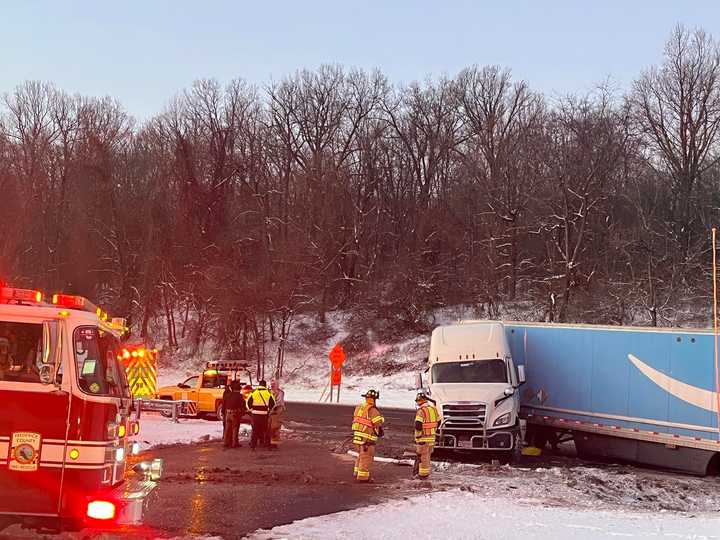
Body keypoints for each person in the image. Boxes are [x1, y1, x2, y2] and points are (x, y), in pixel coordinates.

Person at [351, 389, 384, 482]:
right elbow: (377, 423)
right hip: (367, 439)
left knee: (361, 456)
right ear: (374, 399)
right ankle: (363, 477)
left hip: (357, 437)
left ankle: (356, 472)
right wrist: (382, 419)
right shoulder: (373, 410)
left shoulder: (359, 407)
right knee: (366, 457)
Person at [412, 392, 439, 479]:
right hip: (432, 438)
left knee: (422, 457)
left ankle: (422, 475)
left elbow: (418, 425)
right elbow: (439, 421)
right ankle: (423, 473)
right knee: (427, 456)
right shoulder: (433, 409)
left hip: (423, 438)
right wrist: (433, 430)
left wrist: (418, 436)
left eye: (418, 401)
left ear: (420, 401)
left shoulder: (421, 411)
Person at [246, 379, 275, 450]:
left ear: (259, 385)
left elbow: (248, 403)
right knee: (266, 430)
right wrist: (269, 409)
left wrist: (251, 409)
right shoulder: (268, 393)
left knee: (255, 430)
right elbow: (273, 403)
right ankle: (268, 445)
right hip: (264, 415)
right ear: (265, 385)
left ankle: (253, 446)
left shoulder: (254, 393)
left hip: (255, 414)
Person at [223, 382, 247, 448]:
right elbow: (243, 406)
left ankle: (226, 442)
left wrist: (223, 413)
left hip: (227, 413)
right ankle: (235, 443)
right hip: (235, 414)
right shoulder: (239, 396)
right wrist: (243, 412)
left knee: (227, 429)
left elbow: (224, 404)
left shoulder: (228, 395)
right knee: (235, 428)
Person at [269, 378, 286, 449]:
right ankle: (269, 442)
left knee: (275, 428)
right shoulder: (269, 392)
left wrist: (273, 408)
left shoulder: (280, 393)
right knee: (270, 428)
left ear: (277, 385)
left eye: (274, 384)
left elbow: (279, 402)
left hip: (277, 412)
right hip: (271, 412)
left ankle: (274, 444)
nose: (272, 385)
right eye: (271, 384)